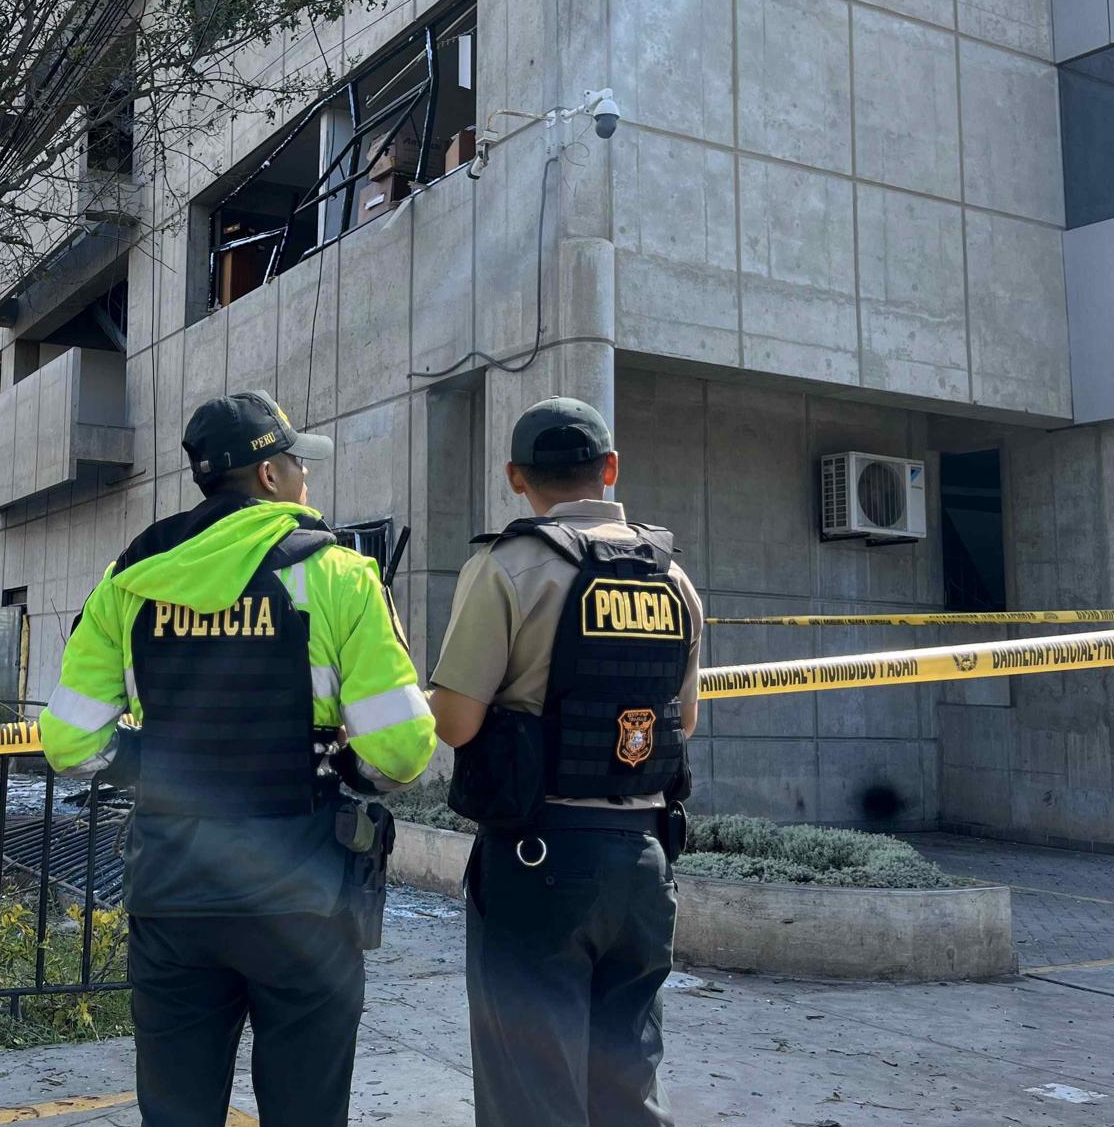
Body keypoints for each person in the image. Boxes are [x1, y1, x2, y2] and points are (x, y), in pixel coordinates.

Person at [39, 389, 436, 1127]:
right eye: (295, 461)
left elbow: (69, 744)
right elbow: (405, 749)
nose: (304, 477)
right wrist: (344, 767)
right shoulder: (339, 575)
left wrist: (152, 760)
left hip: (173, 892)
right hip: (303, 898)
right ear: (270, 478)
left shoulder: (129, 580)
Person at [429, 396, 703, 1127]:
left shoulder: (507, 566)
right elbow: (686, 721)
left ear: (517, 477)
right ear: (610, 469)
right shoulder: (674, 580)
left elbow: (455, 724)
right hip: (646, 860)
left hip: (536, 861)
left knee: (533, 1094)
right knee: (629, 1084)